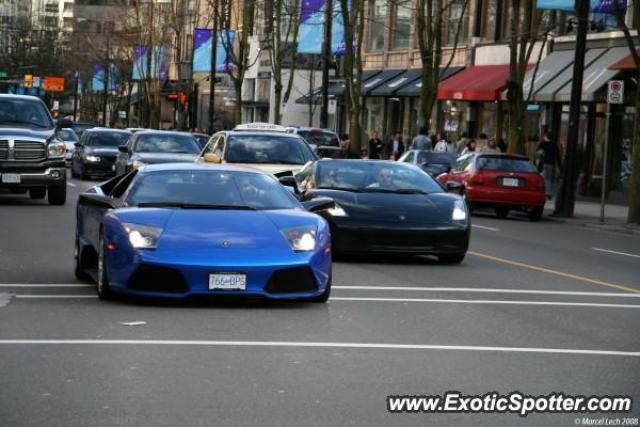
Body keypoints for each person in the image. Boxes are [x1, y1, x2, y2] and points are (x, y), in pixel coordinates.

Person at [537, 132, 562, 200]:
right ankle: (549, 193)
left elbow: (538, 153)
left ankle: (544, 192)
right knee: (549, 179)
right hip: (551, 164)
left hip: (543, 163)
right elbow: (558, 156)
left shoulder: (542, 144)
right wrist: (559, 166)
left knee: (543, 178)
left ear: (546, 137)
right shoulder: (554, 145)